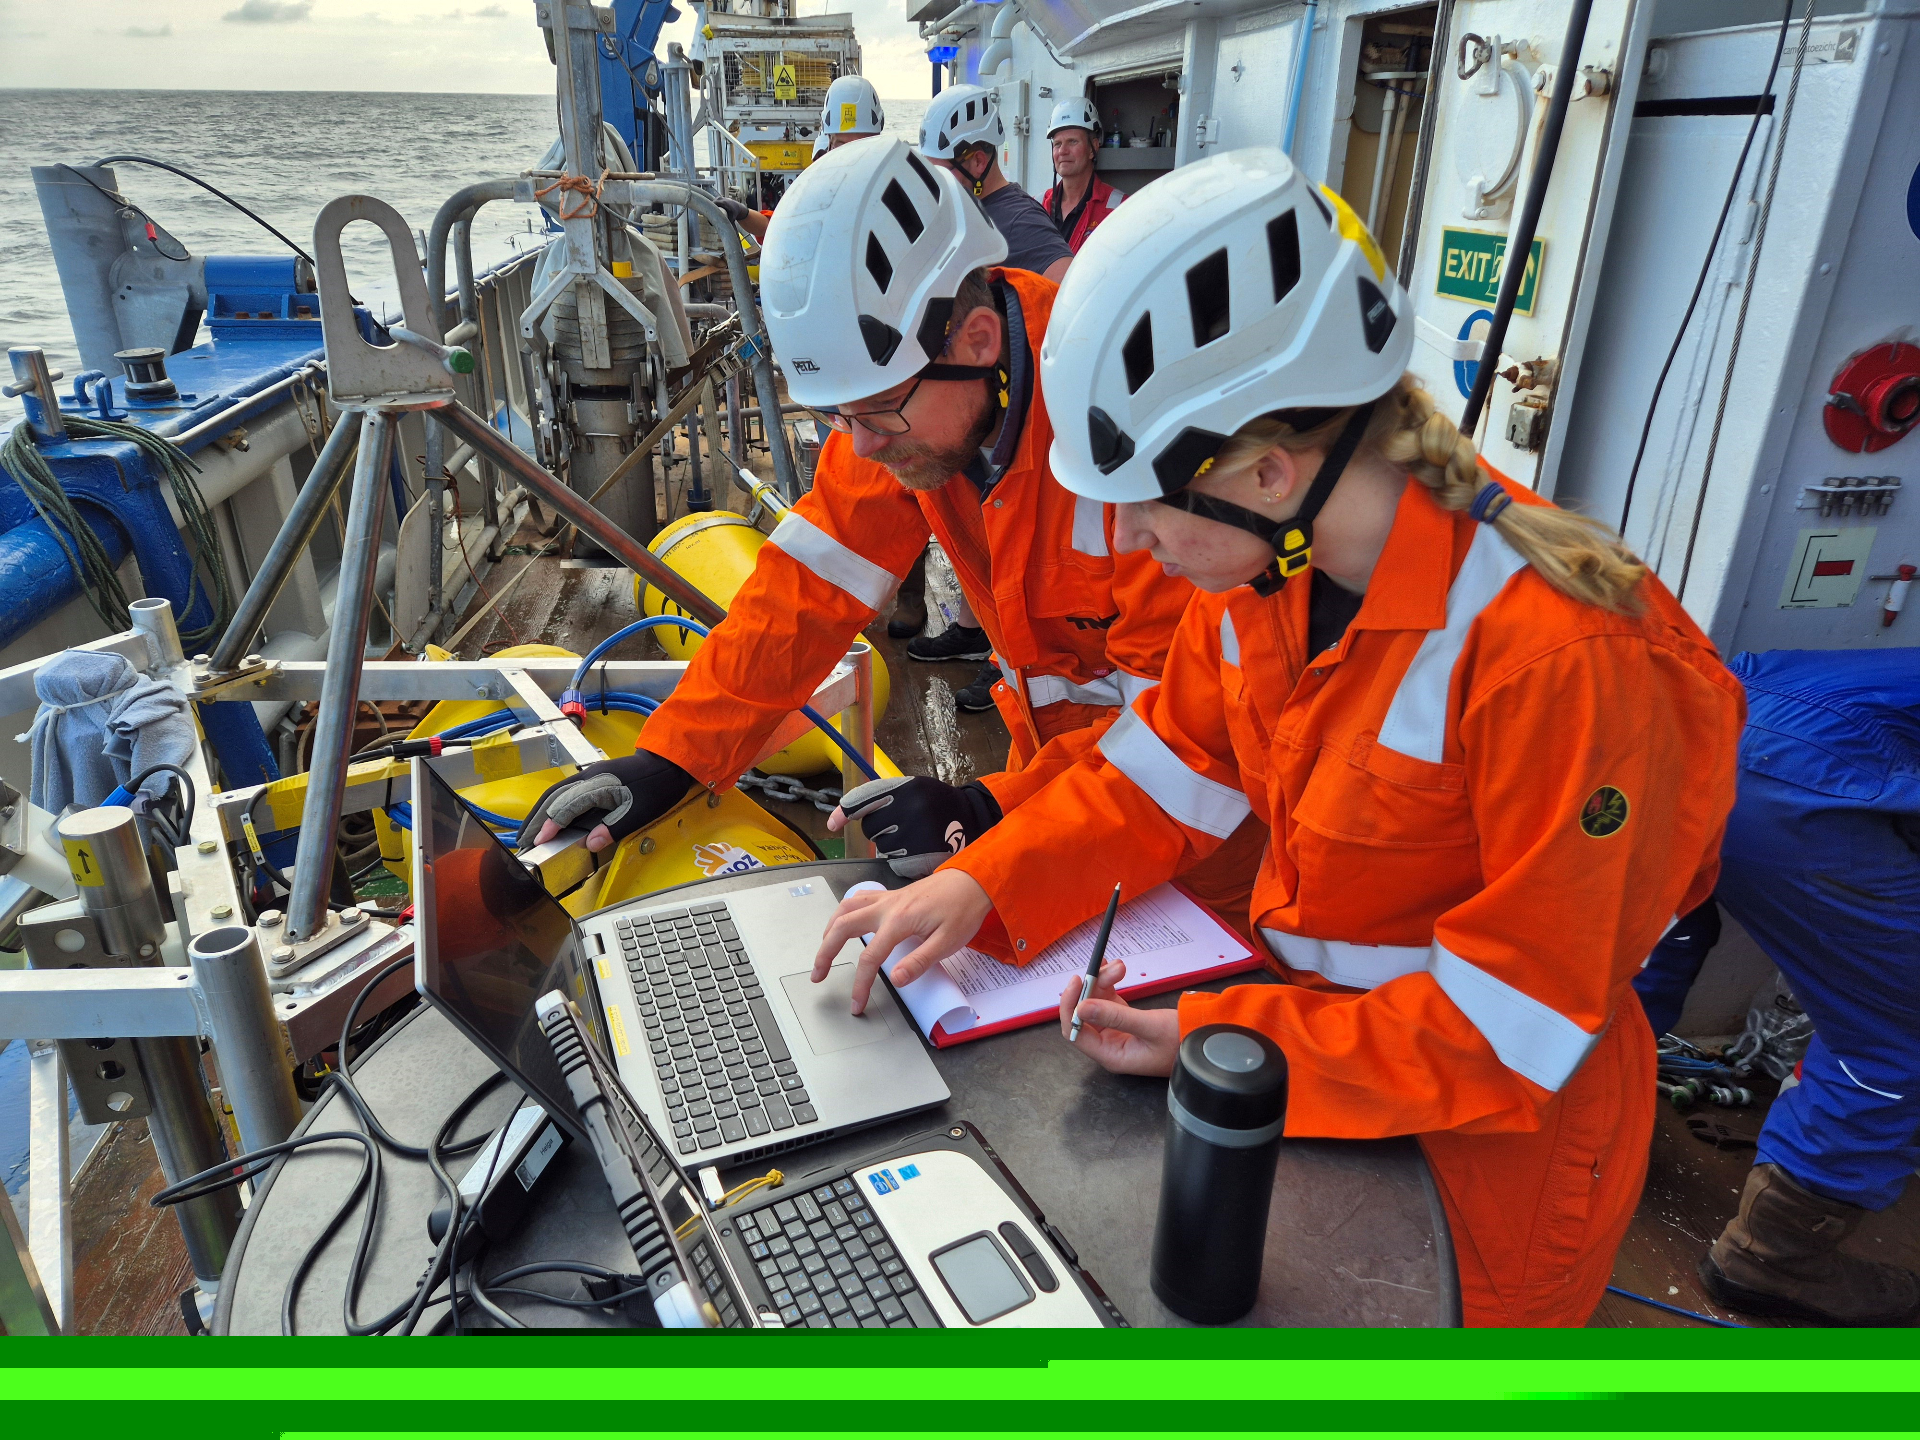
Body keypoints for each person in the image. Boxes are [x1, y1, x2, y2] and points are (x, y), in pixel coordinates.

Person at [814, 148, 1747, 1327]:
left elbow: (1509, 1026)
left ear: (1267, 472)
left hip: (1484, 1180)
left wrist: (1220, 1035)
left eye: (1145, 507)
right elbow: (1160, 780)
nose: (1131, 544)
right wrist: (978, 883)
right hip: (1309, 1090)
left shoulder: (1573, 664)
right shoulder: (1266, 581)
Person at [522, 138, 1263, 935]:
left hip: (1205, 864)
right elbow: (803, 595)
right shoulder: (906, 399)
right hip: (1052, 801)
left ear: (978, 341)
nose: (863, 445)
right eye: (839, 415)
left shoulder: (1134, 443)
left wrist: (990, 806)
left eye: (877, 413)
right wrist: (673, 759)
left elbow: (1188, 735)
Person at [1631, 648, 1920, 1326]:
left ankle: (1574, 1138)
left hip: (1690, 728)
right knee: (1895, 1036)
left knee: (1648, 953)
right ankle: (1773, 1259)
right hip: (1812, 777)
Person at [905, 84, 1076, 696]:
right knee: (981, 535)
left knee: (1013, 547)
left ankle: (1006, 661)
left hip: (1024, 420)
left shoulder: (1018, 220)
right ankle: (980, 632)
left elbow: (1070, 295)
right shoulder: (973, 215)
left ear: (978, 160)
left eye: (944, 170)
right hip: (984, 406)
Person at [717, 79, 885, 243]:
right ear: (829, 145)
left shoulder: (889, 188)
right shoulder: (817, 189)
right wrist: (742, 213)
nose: (851, 154)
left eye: (860, 145)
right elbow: (776, 227)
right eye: (842, 145)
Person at [1040, 97, 1123, 253]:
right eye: (1057, 144)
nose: (1062, 151)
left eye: (1072, 141)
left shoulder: (1119, 209)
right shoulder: (1037, 206)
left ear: (1093, 148)